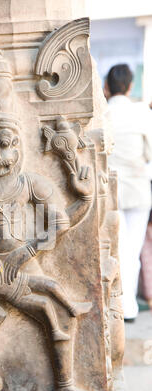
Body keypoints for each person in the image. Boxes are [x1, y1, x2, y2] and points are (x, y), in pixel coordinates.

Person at [104, 64, 152, 322]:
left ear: (107, 87)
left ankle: (119, 306)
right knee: (131, 251)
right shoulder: (141, 113)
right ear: (131, 86)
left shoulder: (102, 113)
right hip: (137, 190)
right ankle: (129, 307)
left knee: (116, 249)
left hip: (110, 192)